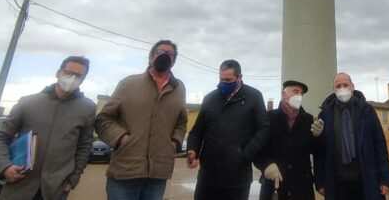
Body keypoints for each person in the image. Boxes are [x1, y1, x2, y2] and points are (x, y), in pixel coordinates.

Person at [0, 56, 96, 200]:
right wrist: (4, 166)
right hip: (19, 185)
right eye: (68, 73)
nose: (72, 78)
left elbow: (84, 146)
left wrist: (73, 178)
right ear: (58, 73)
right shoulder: (28, 102)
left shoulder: (87, 108)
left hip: (56, 189)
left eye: (78, 76)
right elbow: (0, 137)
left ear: (83, 79)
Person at [96, 40, 188, 200]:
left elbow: (181, 122)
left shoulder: (179, 88)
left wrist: (174, 143)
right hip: (126, 170)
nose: (165, 56)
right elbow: (104, 119)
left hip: (158, 173)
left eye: (170, 54)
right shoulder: (129, 84)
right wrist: (121, 139)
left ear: (174, 61)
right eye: (160, 52)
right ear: (151, 56)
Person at [187, 59, 269, 200]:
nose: (224, 83)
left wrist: (246, 153)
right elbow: (197, 130)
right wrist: (192, 149)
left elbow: (264, 129)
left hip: (237, 176)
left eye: (228, 80)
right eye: (221, 79)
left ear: (239, 77)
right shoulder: (210, 99)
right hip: (208, 176)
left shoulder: (254, 97)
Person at [315, 72, 389, 200]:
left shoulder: (367, 111)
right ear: (334, 90)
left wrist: (385, 179)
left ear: (352, 87)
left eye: (345, 85)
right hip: (337, 184)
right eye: (338, 86)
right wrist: (320, 181)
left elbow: (379, 145)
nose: (342, 88)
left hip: (366, 180)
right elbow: (320, 153)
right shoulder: (325, 114)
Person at [256, 80, 325, 200]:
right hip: (274, 186)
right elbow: (257, 150)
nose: (299, 96)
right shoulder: (268, 118)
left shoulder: (309, 120)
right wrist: (265, 165)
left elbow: (317, 152)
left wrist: (318, 137)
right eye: (295, 91)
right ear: (283, 94)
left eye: (301, 94)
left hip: (302, 188)